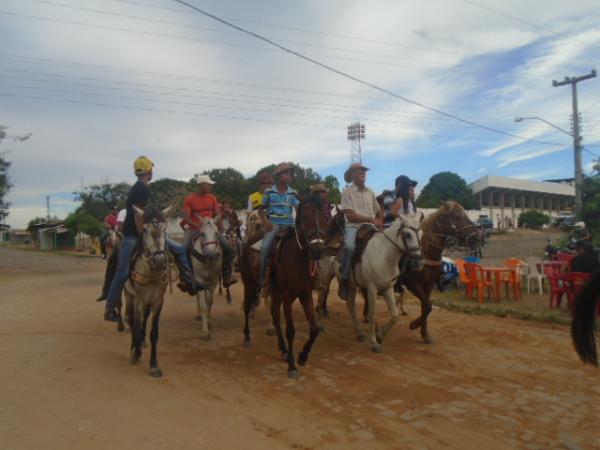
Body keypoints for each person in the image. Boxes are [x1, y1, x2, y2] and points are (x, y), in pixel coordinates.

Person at [104, 156, 195, 321]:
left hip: (138, 235)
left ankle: (188, 280)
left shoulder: (138, 187)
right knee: (123, 272)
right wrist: (144, 235)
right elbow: (139, 215)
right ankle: (110, 308)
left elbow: (141, 214)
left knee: (179, 249)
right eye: (151, 169)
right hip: (133, 236)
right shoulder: (143, 189)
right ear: (149, 171)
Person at [181, 174, 237, 287]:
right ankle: (185, 277)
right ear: (201, 185)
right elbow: (186, 218)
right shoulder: (189, 199)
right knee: (183, 249)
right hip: (195, 229)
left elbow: (218, 215)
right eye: (209, 184)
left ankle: (226, 275)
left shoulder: (212, 198)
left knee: (228, 247)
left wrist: (221, 229)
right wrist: (198, 226)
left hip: (211, 230)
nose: (211, 186)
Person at [339, 163, 383, 300]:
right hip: (353, 226)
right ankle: (345, 279)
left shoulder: (370, 192)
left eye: (364, 171)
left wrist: (380, 221)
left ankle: (384, 278)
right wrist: (371, 219)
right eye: (359, 171)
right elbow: (350, 216)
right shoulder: (347, 192)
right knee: (350, 247)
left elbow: (378, 210)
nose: (363, 173)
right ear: (352, 175)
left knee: (387, 244)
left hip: (370, 226)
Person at [257, 162, 300, 292]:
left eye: (290, 174)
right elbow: (260, 210)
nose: (288, 176)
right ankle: (262, 276)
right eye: (285, 173)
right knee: (265, 247)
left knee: (305, 244)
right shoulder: (269, 191)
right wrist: (266, 223)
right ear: (279, 176)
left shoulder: (292, 193)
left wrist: (299, 221)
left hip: (289, 226)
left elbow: (299, 208)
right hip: (274, 225)